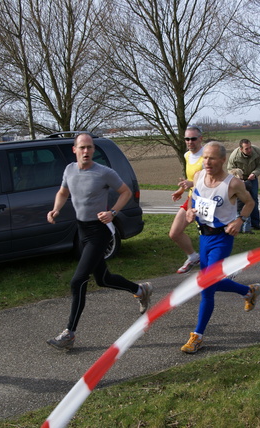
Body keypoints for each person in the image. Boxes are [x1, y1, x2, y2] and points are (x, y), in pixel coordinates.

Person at [46, 133, 153, 350]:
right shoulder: (69, 170)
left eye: (90, 147)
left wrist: (112, 212)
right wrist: (56, 209)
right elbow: (63, 191)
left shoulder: (103, 172)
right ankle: (141, 290)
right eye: (82, 147)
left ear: (93, 150)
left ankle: (69, 333)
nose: (86, 151)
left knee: (77, 281)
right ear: (74, 150)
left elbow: (125, 192)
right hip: (82, 230)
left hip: (100, 232)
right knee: (104, 279)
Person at [180, 141, 260, 354]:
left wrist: (239, 220)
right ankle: (247, 291)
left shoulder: (232, 183)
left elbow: (250, 202)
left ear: (223, 160)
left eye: (212, 158)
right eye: (205, 157)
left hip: (223, 238)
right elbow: (194, 200)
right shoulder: (198, 177)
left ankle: (197, 336)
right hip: (204, 237)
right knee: (210, 282)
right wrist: (190, 212)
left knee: (206, 286)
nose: (207, 162)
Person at [170, 126, 204, 274]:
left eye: (193, 138)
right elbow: (191, 179)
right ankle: (193, 257)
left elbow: (213, 179)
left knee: (210, 238)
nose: (190, 142)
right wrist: (182, 189)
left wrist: (193, 184)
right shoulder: (187, 156)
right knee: (174, 233)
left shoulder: (207, 155)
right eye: (187, 139)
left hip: (206, 200)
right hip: (192, 198)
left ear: (200, 139)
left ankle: (224, 270)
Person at [227, 138, 260, 230]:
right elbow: (230, 169)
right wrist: (237, 179)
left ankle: (255, 224)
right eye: (246, 149)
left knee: (254, 199)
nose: (249, 150)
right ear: (241, 149)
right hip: (239, 179)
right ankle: (239, 225)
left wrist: (255, 173)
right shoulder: (234, 156)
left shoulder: (257, 151)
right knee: (239, 202)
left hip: (252, 178)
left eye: (250, 147)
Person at [228, 167, 252, 233]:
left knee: (237, 217)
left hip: (235, 205)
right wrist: (247, 181)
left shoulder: (230, 185)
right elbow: (249, 186)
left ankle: (239, 229)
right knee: (246, 217)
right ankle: (246, 229)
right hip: (243, 204)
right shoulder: (241, 183)